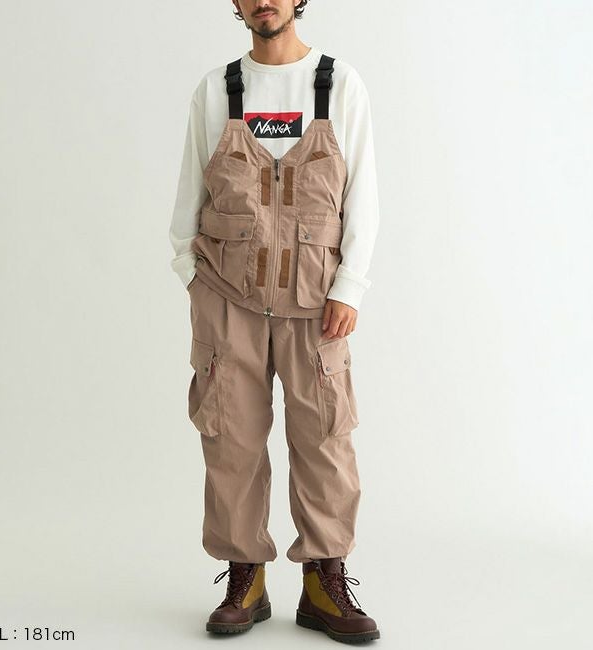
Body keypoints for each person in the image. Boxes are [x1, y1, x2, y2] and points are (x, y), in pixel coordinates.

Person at [168, 1, 380, 643]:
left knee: (325, 439)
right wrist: (193, 277)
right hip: (226, 300)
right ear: (236, 4)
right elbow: (188, 198)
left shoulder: (338, 85)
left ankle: (323, 581)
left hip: (318, 305)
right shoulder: (217, 90)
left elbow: (363, 195)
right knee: (230, 438)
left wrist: (350, 287)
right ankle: (246, 580)